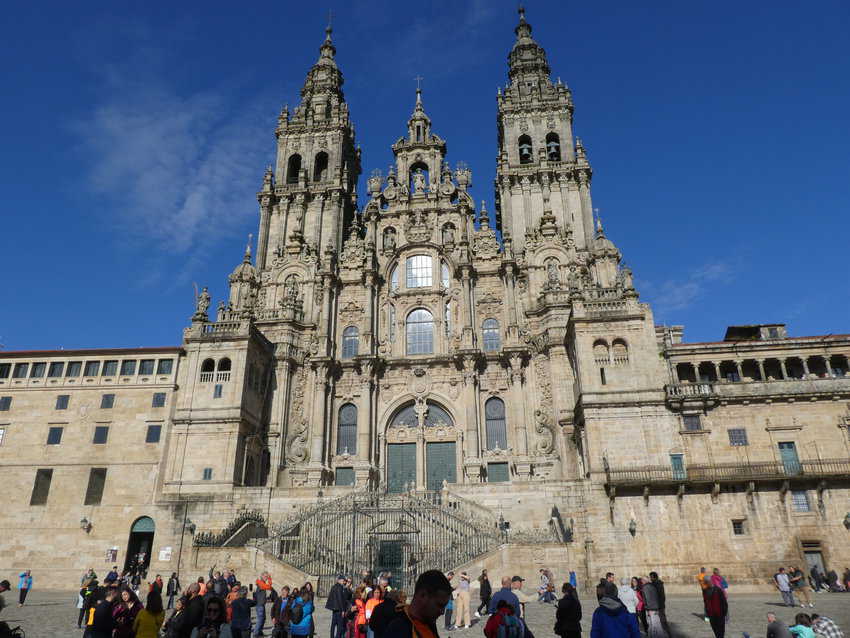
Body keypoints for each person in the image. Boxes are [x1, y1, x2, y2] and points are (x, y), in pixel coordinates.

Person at [384, 570, 452, 638]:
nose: (442, 612)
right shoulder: (398, 629)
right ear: (423, 595)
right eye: (439, 605)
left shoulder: (429, 622)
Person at [254, 572, 274, 637]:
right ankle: (255, 633)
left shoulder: (261, 582)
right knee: (260, 619)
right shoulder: (260, 583)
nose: (266, 578)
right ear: (262, 576)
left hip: (262, 604)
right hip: (259, 604)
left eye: (267, 577)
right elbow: (269, 587)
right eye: (265, 577)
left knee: (263, 618)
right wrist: (270, 579)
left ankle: (259, 631)